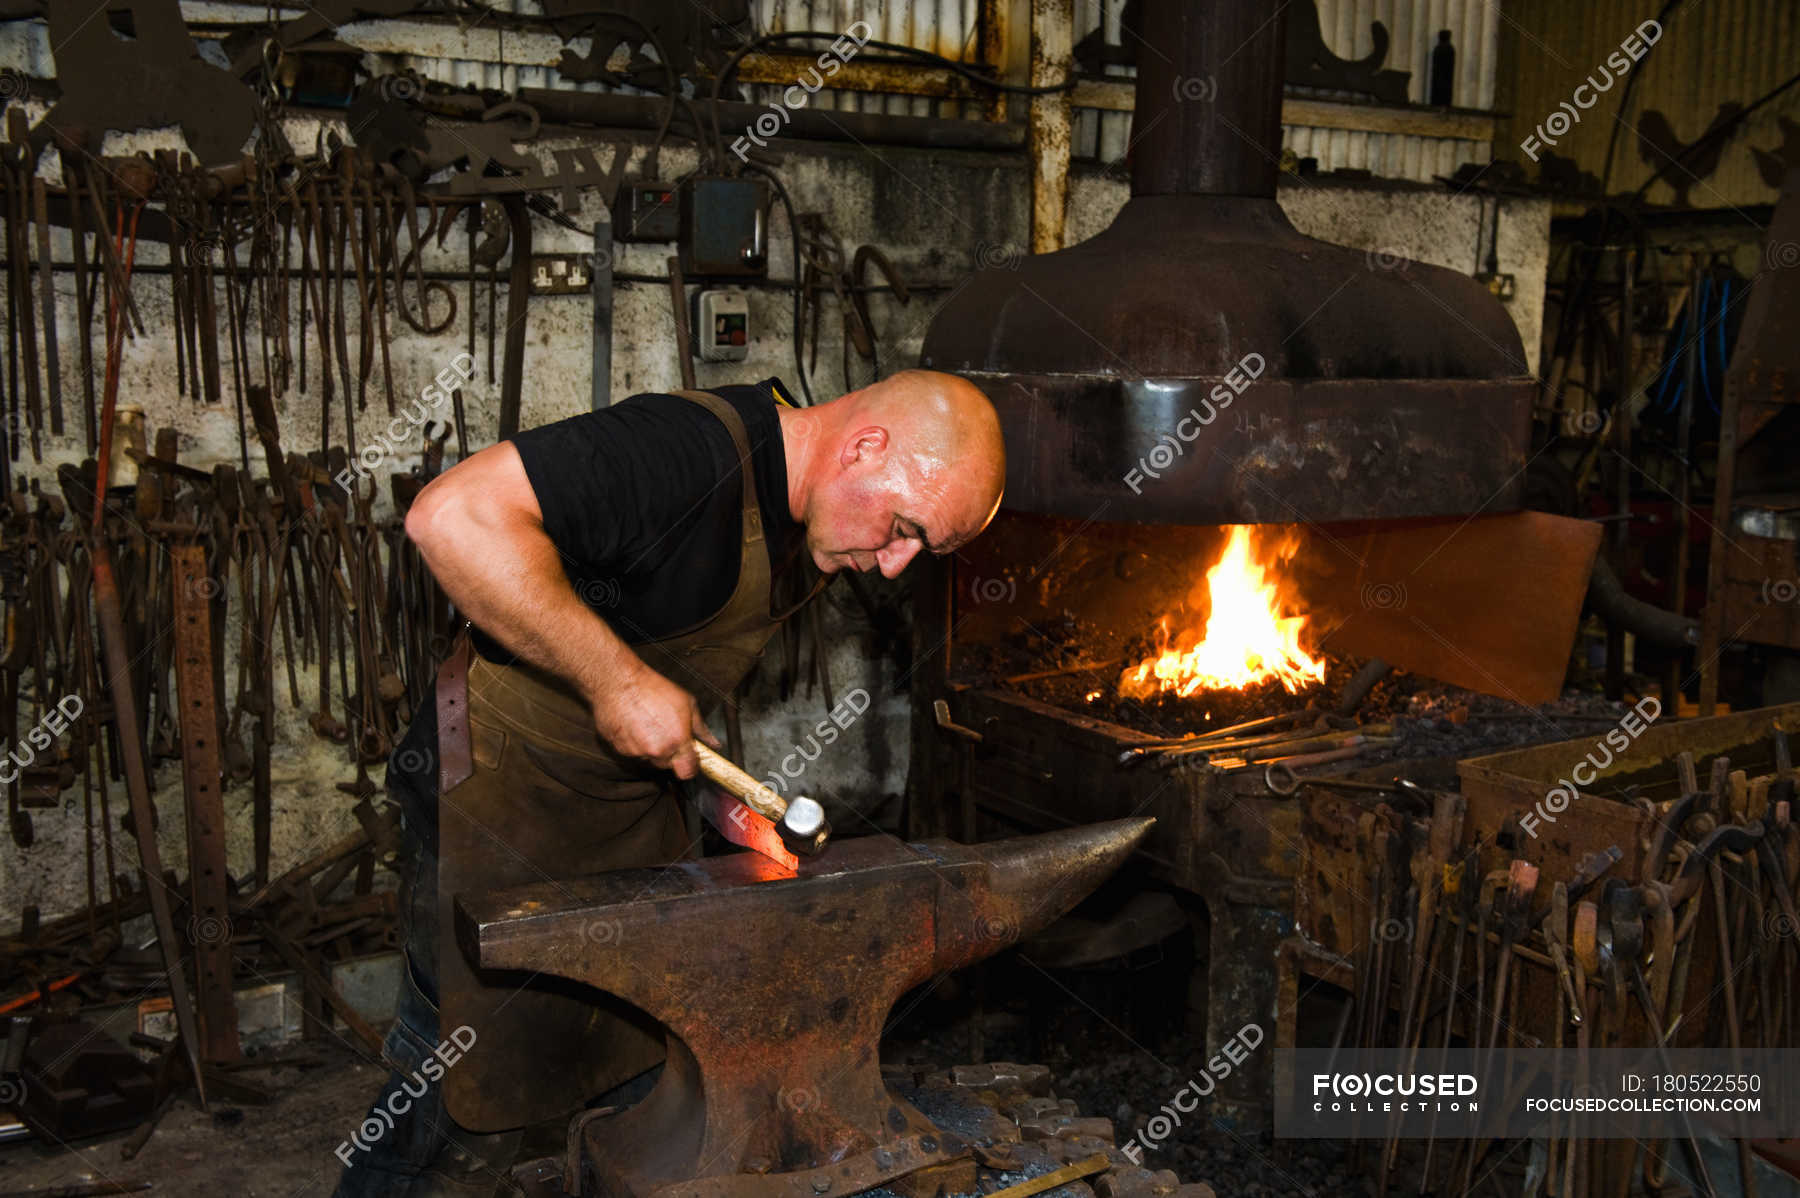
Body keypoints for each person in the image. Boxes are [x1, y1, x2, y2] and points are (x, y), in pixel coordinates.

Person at [331, 369, 1005, 1198]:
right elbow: (449, 516)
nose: (895, 564)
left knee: (644, 1075)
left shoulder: (806, 516)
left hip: (625, 807)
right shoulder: (686, 452)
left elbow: (658, 636)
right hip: (501, 797)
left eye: (919, 549)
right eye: (903, 527)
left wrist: (702, 778)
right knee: (452, 1090)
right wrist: (617, 682)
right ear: (865, 446)